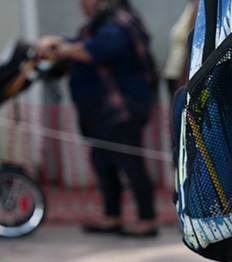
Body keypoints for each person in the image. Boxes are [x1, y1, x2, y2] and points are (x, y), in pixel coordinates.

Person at [36, 0, 157, 237]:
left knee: (130, 163)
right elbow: (83, 44)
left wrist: (60, 47)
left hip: (121, 109)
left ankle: (147, 219)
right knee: (103, 162)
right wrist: (59, 42)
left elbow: (96, 51)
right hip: (101, 111)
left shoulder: (118, 23)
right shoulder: (101, 24)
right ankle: (112, 216)